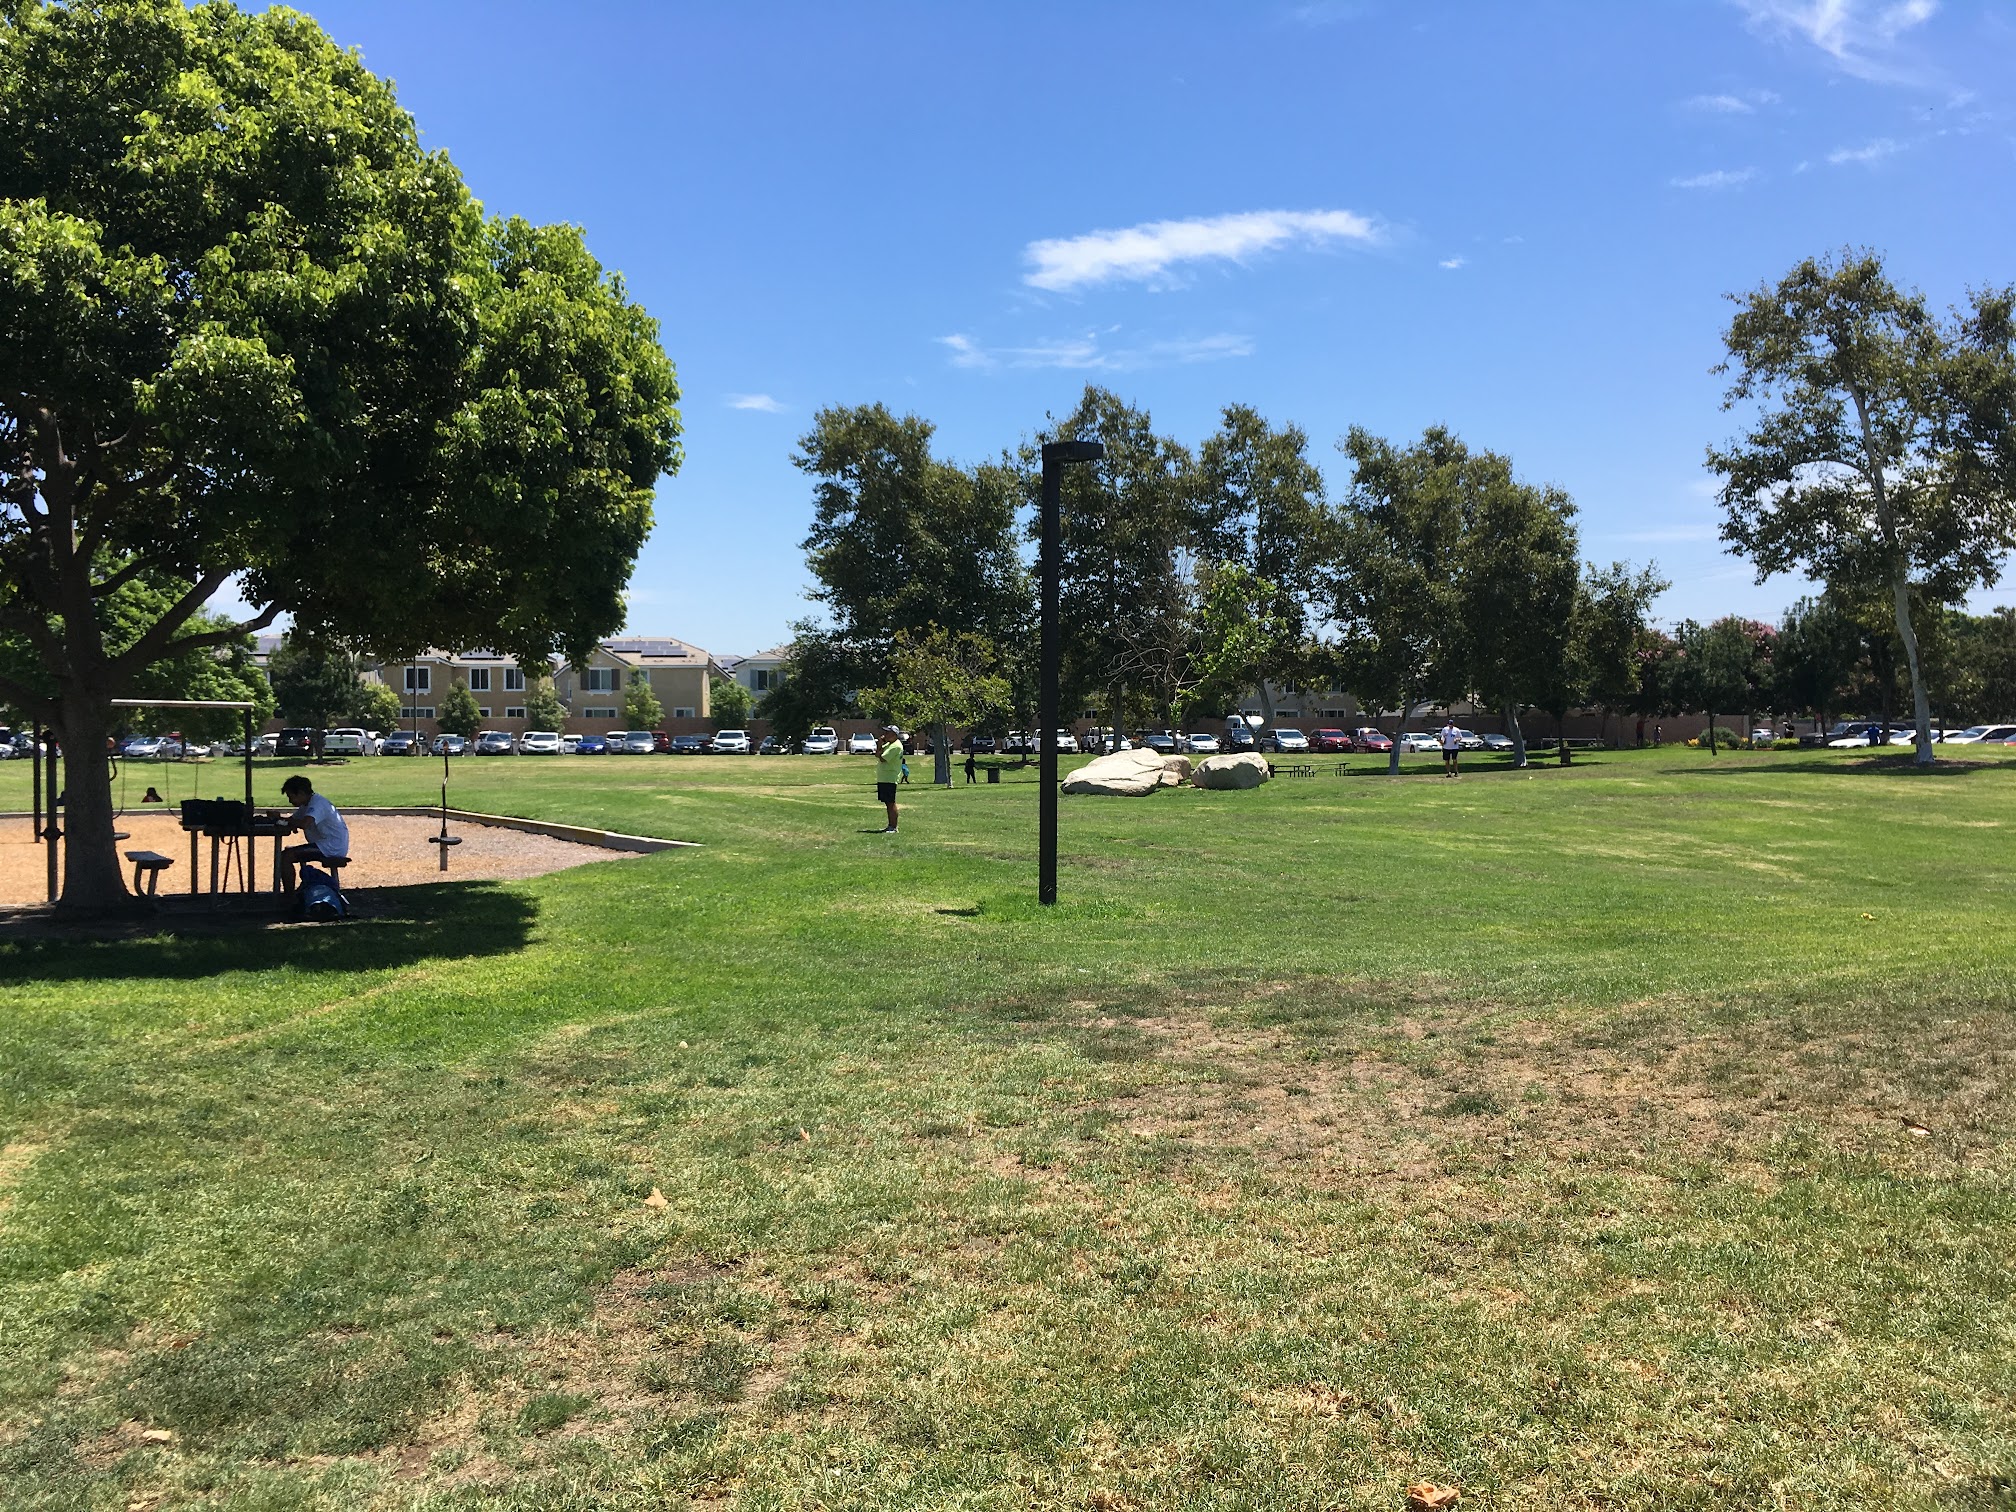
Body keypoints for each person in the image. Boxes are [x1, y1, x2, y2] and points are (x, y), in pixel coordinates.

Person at [278, 774, 350, 891]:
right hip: (324, 845)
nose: (290, 801)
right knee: (287, 853)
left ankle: (289, 895)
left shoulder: (317, 804)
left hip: (331, 847)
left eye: (291, 797)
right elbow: (293, 821)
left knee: (286, 856)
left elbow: (304, 823)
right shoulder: (306, 805)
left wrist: (283, 820)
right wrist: (282, 819)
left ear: (301, 793)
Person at [874, 725, 904, 832]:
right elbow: (877, 754)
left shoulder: (895, 746)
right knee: (887, 802)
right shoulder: (889, 744)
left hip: (890, 778)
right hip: (884, 777)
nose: (885, 735)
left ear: (894, 735)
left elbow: (882, 758)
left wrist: (879, 746)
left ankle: (893, 827)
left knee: (891, 803)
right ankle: (890, 825)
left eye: (888, 733)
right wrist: (880, 746)